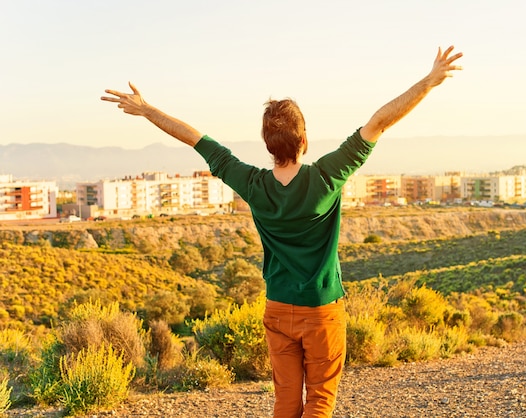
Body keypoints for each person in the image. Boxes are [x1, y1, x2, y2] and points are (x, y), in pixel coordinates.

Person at [101, 45, 463, 418]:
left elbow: (196, 139)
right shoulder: (326, 178)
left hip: (278, 308)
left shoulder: (253, 184)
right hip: (322, 310)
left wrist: (146, 110)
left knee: (286, 403)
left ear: (268, 145)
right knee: (320, 401)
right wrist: (429, 82)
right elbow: (379, 122)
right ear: (303, 140)